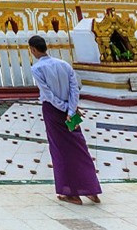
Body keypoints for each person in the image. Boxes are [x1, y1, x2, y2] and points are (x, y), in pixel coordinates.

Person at [28, 34, 102, 205]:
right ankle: (91, 190)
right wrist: (71, 109)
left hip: (54, 112)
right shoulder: (64, 64)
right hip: (71, 110)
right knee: (79, 148)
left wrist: (63, 109)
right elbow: (75, 89)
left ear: (32, 49)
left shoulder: (37, 69)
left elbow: (48, 94)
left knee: (60, 151)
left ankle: (71, 193)